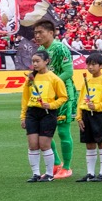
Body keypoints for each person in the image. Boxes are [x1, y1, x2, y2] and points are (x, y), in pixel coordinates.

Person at [29, 18, 77, 179]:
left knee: (63, 131)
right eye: (35, 33)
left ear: (51, 32)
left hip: (62, 95)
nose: (37, 35)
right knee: (46, 132)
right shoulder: (41, 49)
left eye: (40, 32)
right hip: (46, 97)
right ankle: (56, 163)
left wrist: (52, 83)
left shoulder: (60, 48)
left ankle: (68, 167)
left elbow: (69, 72)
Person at [19, 50, 67, 183]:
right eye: (33, 61)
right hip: (32, 113)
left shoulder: (54, 79)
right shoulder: (30, 79)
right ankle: (35, 174)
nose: (34, 64)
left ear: (46, 61)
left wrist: (51, 105)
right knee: (32, 144)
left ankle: (49, 174)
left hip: (47, 114)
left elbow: (63, 97)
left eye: (37, 61)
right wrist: (23, 116)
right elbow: (25, 98)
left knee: (44, 145)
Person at [76, 51, 102, 183]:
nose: (90, 67)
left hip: (99, 115)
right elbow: (81, 99)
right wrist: (79, 117)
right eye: (88, 64)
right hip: (86, 114)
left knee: (101, 142)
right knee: (89, 144)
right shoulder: (86, 81)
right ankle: (90, 173)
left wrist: (97, 106)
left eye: (93, 64)